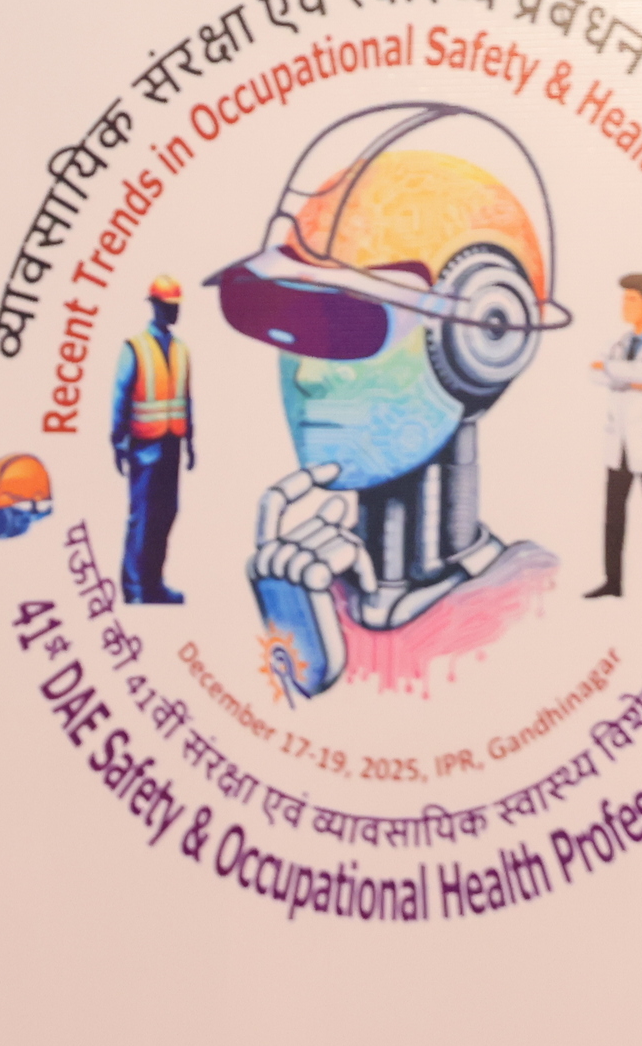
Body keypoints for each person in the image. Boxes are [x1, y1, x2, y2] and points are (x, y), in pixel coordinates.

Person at [209, 101, 571, 701]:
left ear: (485, 341)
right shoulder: (309, 589)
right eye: (288, 324)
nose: (308, 376)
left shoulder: (536, 602)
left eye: (349, 327)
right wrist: (296, 639)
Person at [585, 272, 642, 614]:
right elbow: (594, 373)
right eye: (624, 298)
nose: (625, 305)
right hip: (619, 444)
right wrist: (628, 374)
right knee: (613, 516)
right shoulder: (619, 343)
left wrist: (614, 371)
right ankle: (613, 581)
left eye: (632, 299)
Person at [107, 273, 194, 602]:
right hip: (144, 445)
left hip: (172, 444)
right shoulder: (135, 348)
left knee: (166, 514)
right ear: (155, 306)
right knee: (143, 517)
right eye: (168, 306)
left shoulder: (182, 350)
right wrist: (118, 442)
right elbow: (121, 395)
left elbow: (186, 397)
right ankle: (135, 589)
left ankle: (154, 584)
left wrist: (191, 441)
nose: (174, 312)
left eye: (176, 306)